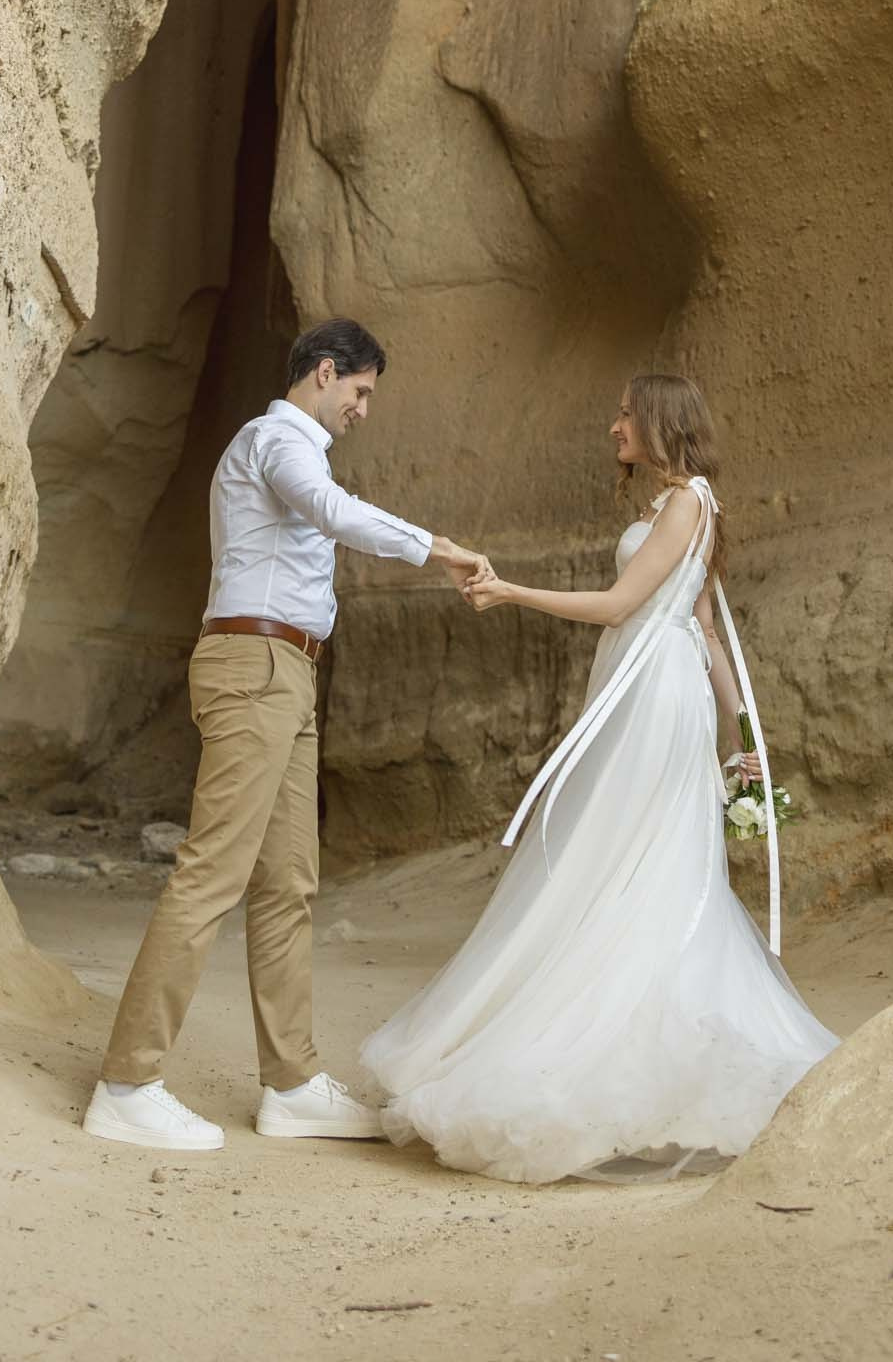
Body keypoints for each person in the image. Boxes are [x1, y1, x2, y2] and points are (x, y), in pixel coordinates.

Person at [360, 371, 836, 1183]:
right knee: (630, 861)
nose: (613, 425)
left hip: (653, 695)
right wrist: (737, 738)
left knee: (622, 862)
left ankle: (614, 1061)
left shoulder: (687, 501)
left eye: (623, 414)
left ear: (659, 420)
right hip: (652, 690)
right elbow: (707, 629)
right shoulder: (680, 504)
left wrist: (510, 590)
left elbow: (625, 608)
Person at [83, 318, 491, 1154]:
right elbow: (327, 509)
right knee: (212, 875)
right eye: (361, 391)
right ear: (327, 372)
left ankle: (294, 1085)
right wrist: (436, 548)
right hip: (252, 664)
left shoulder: (295, 446)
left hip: (288, 671)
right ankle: (126, 1083)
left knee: (287, 884)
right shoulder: (276, 438)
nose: (364, 409)